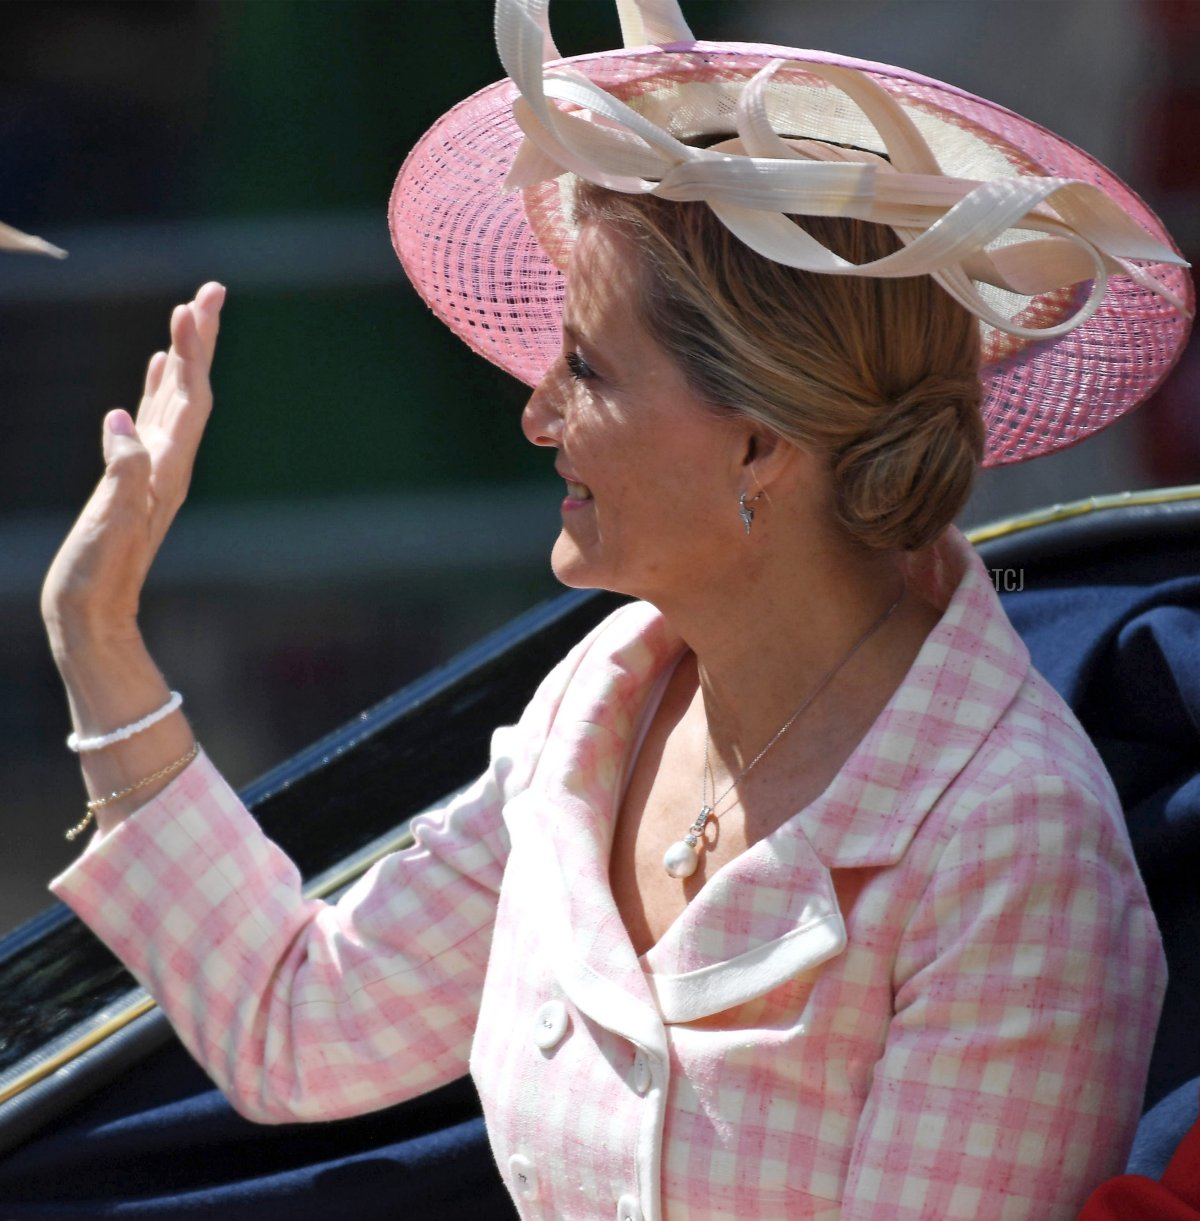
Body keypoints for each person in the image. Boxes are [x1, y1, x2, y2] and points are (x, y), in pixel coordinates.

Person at [42, 0, 1192, 1217]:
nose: (537, 415)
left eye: (585, 368)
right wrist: (98, 637)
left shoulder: (1008, 843)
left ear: (759, 444)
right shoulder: (598, 705)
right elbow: (307, 1021)